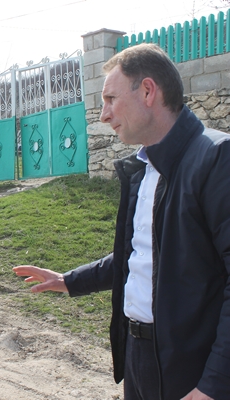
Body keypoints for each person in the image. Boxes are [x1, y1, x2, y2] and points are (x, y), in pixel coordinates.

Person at [13, 43, 230, 400]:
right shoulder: (144, 167)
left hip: (191, 370)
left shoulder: (216, 158)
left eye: (111, 99)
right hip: (138, 357)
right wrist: (68, 281)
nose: (103, 115)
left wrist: (214, 384)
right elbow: (140, 257)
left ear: (147, 91)